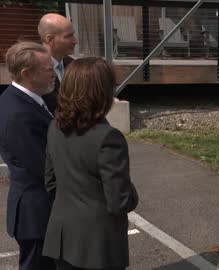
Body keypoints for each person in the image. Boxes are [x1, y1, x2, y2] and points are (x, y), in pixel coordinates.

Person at [42, 57, 139, 270]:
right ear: (102, 93)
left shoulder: (55, 127)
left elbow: (50, 182)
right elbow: (119, 202)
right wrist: (132, 193)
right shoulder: (108, 137)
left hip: (62, 237)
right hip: (98, 246)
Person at [0, 41, 56, 270]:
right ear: (27, 74)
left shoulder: (23, 98)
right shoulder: (18, 115)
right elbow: (42, 166)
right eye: (48, 69)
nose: (54, 73)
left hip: (38, 210)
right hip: (36, 215)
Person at [38, 13, 78, 112]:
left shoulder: (73, 65)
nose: (75, 41)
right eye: (68, 36)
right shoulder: (34, 70)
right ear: (50, 39)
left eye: (73, 35)